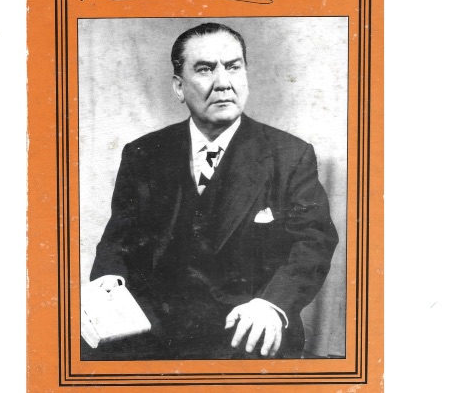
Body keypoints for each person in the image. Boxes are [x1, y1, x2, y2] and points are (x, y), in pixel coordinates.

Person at [84, 22, 338, 360]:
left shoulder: (289, 155)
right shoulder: (143, 153)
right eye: (205, 69)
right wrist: (109, 281)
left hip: (245, 328)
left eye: (233, 67)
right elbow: (118, 239)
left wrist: (272, 304)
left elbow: (313, 243)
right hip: (155, 333)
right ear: (179, 87)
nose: (223, 82)